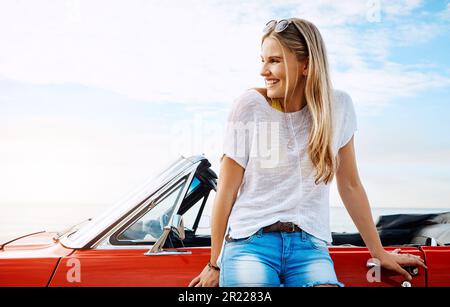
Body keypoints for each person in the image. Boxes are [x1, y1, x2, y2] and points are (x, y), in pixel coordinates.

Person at [188, 18, 426, 287]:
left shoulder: (339, 107)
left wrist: (378, 252)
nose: (263, 71)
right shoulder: (250, 106)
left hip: (309, 248)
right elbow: (227, 191)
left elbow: (350, 185)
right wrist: (214, 262)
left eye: (274, 61)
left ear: (306, 65)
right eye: (263, 60)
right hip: (249, 245)